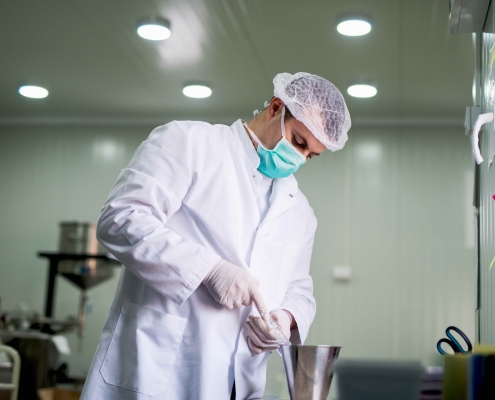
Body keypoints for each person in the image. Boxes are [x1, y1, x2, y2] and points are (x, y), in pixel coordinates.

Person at [80, 72, 351, 400]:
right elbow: (120, 218)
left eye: (311, 155)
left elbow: (300, 290)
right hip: (159, 372)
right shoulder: (189, 142)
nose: (299, 159)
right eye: (298, 141)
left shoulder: (300, 211)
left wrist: (286, 318)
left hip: (241, 381)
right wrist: (208, 269)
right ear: (276, 108)